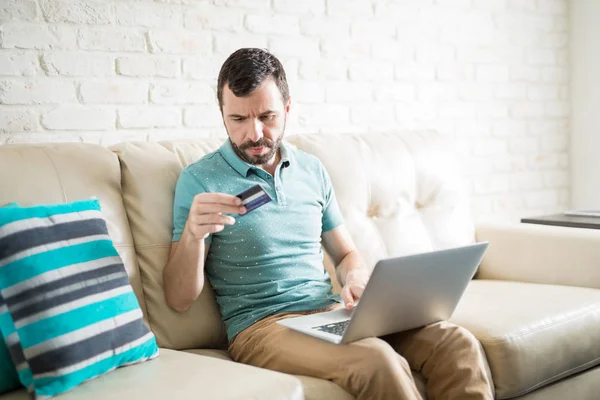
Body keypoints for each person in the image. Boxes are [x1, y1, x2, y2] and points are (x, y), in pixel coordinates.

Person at [163, 48, 494, 400]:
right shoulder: (199, 180)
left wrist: (354, 276)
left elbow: (346, 253)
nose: (255, 133)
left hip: (328, 313)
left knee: (456, 343)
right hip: (262, 328)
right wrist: (192, 237)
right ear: (222, 115)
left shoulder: (311, 170)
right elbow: (178, 299)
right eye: (238, 119)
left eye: (267, 116)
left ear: (287, 109)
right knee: (377, 360)